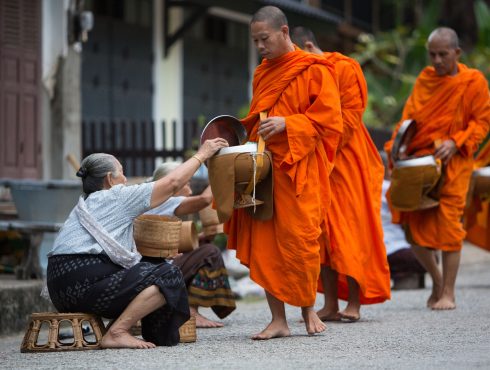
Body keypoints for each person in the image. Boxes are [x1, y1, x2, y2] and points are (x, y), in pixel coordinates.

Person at [225, 6, 343, 340]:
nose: (260, 46)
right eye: (255, 41)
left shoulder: (316, 70)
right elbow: (257, 118)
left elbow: (330, 121)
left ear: (285, 32)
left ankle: (308, 310)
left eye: (264, 39)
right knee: (264, 242)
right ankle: (278, 320)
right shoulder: (263, 73)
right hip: (265, 167)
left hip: (300, 169)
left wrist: (290, 123)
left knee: (301, 240)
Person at [46, 137, 228, 349]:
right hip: (85, 286)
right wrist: (203, 154)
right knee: (168, 274)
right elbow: (172, 183)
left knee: (156, 268)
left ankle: (120, 327)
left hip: (60, 291)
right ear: (109, 179)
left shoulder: (84, 204)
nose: (125, 178)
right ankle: (117, 332)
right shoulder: (117, 196)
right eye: (121, 172)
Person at [384, 27, 490, 310]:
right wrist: (395, 151)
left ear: (457, 53)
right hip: (420, 163)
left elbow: (482, 123)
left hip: (455, 165)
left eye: (443, 54)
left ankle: (449, 294)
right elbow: (408, 119)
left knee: (449, 226)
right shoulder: (425, 79)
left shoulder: (473, 82)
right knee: (411, 228)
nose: (437, 60)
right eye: (432, 54)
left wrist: (456, 142)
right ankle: (438, 280)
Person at [291, 27, 391, 322]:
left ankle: (355, 304)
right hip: (318, 160)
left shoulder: (345, 68)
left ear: (309, 45)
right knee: (321, 233)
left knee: (351, 230)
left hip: (347, 161)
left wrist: (316, 138)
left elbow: (348, 119)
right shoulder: (304, 72)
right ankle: (331, 303)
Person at [143, 162, 236, 328]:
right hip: (153, 270)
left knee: (204, 248)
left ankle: (189, 308)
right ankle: (191, 311)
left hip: (155, 265)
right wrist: (221, 174)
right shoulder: (164, 201)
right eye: (186, 182)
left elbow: (171, 244)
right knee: (210, 252)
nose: (189, 187)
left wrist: (200, 238)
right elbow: (205, 199)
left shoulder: (154, 201)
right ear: (172, 183)